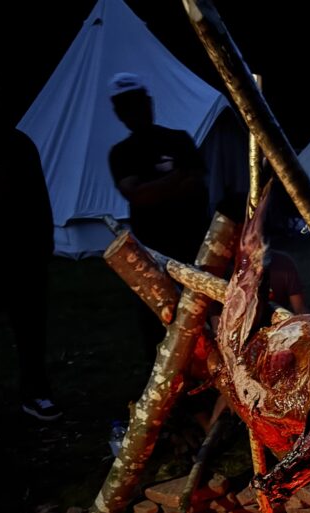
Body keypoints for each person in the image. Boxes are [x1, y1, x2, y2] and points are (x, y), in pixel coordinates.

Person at [107, 72, 210, 357]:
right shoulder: (122, 153)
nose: (137, 111)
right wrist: (175, 178)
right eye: (128, 106)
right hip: (152, 247)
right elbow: (136, 194)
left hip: (192, 239)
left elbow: (196, 182)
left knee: (202, 305)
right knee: (158, 312)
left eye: (139, 103)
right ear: (119, 112)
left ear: (149, 102)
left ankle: (208, 365)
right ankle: (165, 372)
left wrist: (152, 189)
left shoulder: (177, 140)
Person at [0, 76, 62, 420]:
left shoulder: (19, 145)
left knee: (30, 329)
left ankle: (34, 392)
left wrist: (45, 241)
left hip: (23, 253)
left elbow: (38, 197)